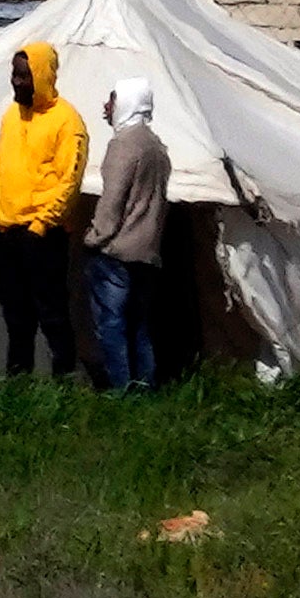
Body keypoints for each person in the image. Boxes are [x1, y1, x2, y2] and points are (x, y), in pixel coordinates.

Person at [0, 39, 90, 378]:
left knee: (52, 312)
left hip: (42, 235)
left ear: (41, 76)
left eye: (24, 76)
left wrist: (41, 226)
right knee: (16, 316)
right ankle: (19, 381)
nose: (16, 82)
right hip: (3, 232)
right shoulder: (11, 116)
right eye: (14, 75)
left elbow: (68, 181)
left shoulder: (67, 121)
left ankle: (64, 380)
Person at [82, 80, 173, 391]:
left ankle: (120, 390)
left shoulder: (124, 145)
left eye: (113, 100)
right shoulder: (157, 147)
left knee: (111, 324)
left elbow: (113, 199)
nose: (106, 108)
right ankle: (144, 388)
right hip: (147, 250)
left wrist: (94, 237)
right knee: (139, 325)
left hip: (117, 251)